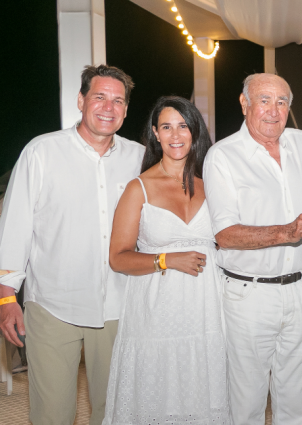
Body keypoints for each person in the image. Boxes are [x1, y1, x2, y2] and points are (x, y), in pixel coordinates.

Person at [0, 65, 144, 425]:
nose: (108, 107)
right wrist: (6, 298)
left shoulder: (141, 159)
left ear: (126, 110)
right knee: (52, 414)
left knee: (115, 412)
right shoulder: (41, 152)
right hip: (53, 305)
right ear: (81, 100)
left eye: (118, 101)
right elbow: (14, 227)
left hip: (120, 306)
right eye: (99, 97)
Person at [203, 73, 302, 424]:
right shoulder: (223, 156)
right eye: (264, 100)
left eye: (282, 102)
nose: (274, 110)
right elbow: (225, 235)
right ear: (244, 103)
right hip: (250, 295)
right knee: (247, 401)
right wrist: (287, 232)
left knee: (296, 399)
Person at [103, 96, 229, 423]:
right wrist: (166, 260)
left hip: (208, 309)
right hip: (157, 310)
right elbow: (118, 257)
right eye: (167, 127)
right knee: (158, 396)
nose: (175, 135)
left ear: (195, 132)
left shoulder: (212, 185)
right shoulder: (139, 188)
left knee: (205, 391)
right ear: (155, 134)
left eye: (183, 126)